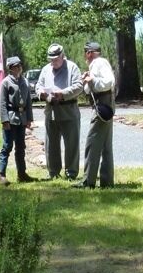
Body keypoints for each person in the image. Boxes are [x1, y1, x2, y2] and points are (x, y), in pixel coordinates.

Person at [35, 43, 83, 180]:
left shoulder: (72, 67)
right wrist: (41, 93)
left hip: (69, 110)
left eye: (56, 59)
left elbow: (79, 86)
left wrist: (62, 93)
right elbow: (39, 85)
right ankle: (53, 172)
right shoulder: (45, 70)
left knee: (72, 144)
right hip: (51, 111)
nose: (53, 62)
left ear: (62, 56)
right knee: (51, 145)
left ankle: (71, 172)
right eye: (51, 60)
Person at [73, 41, 115, 189]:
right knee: (105, 146)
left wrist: (93, 79)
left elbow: (109, 81)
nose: (85, 56)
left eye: (86, 52)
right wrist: (88, 80)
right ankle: (107, 181)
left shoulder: (99, 63)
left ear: (89, 53)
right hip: (104, 107)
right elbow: (88, 89)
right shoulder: (96, 65)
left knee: (92, 143)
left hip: (101, 107)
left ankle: (88, 181)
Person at [0, 55, 36, 186]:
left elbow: (28, 102)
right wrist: (4, 120)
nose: (19, 68)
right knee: (7, 147)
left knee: (21, 147)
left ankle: (22, 174)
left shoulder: (24, 82)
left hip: (22, 119)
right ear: (11, 68)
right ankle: (1, 175)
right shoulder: (6, 83)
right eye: (16, 66)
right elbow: (1, 103)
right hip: (10, 118)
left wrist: (29, 118)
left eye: (20, 65)